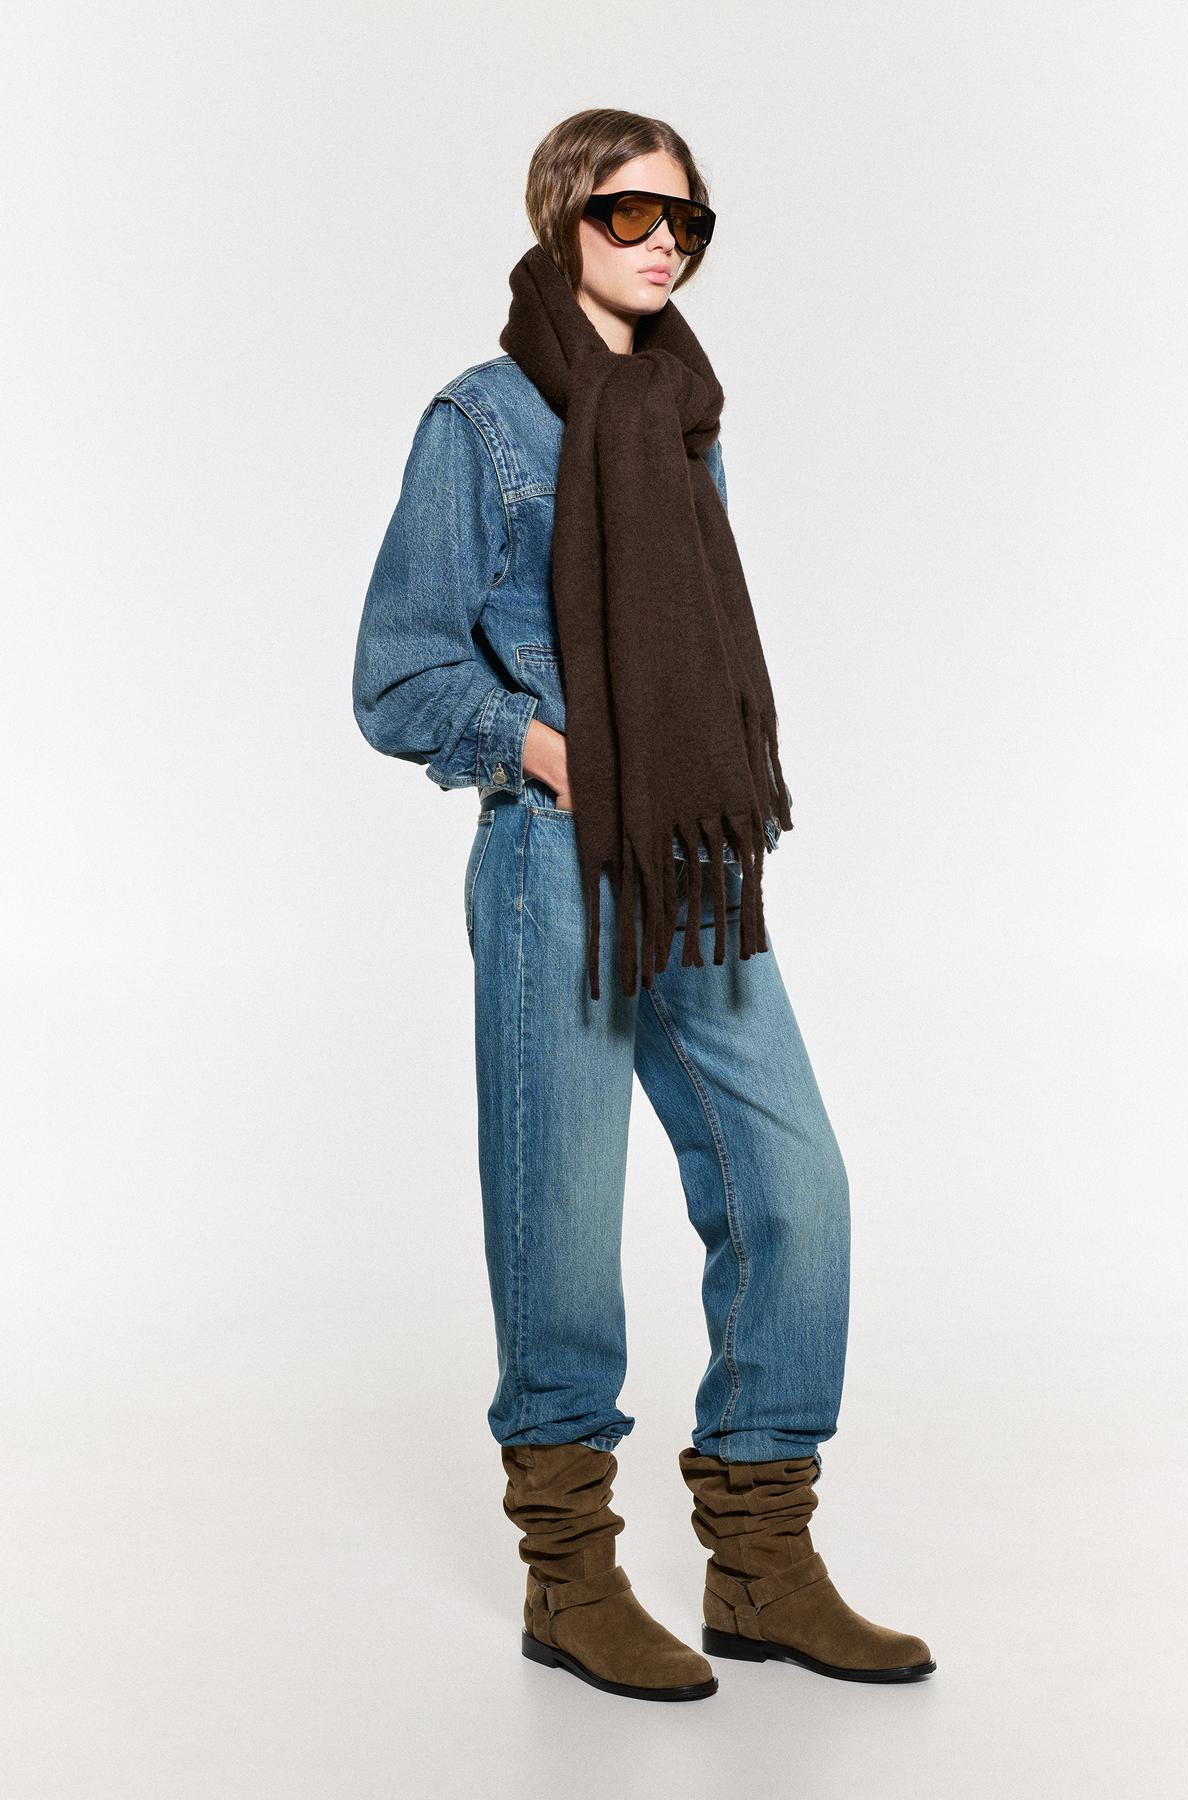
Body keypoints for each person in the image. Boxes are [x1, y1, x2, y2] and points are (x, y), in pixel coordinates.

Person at [352, 108, 936, 1703]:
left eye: (687, 218)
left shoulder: (685, 412)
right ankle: (570, 1576)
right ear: (563, 221)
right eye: (630, 212)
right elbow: (398, 675)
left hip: (693, 863)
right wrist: (550, 752)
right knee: (560, 1215)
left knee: (795, 1184)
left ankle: (761, 1565)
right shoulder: (479, 422)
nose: (664, 239)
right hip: (558, 861)